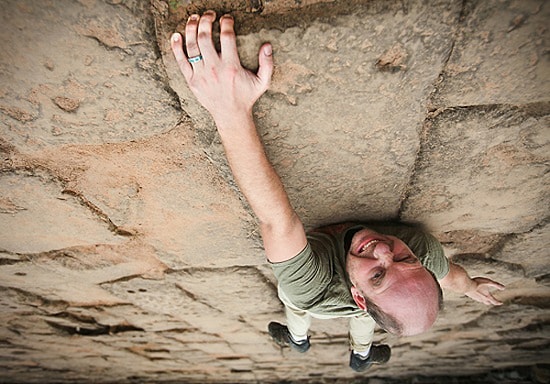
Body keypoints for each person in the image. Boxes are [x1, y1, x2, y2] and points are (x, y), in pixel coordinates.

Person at [170, 11, 505, 372]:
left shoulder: (312, 288)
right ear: (418, 262)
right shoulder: (422, 253)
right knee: (370, 320)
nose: (383, 251)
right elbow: (446, 274)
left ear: (358, 295)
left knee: (296, 309)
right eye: (405, 259)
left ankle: (298, 338)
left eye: (379, 273)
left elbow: (277, 222)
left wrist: (229, 109)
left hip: (321, 301)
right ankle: (360, 356)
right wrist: (470, 286)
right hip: (372, 305)